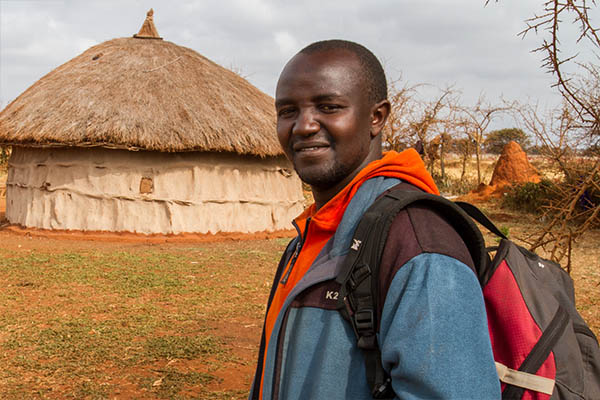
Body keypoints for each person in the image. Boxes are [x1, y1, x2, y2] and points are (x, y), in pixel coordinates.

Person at [249, 40, 500, 400]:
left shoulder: (418, 244)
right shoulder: (313, 231)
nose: (302, 126)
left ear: (377, 117)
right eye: (287, 111)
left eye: (328, 107)